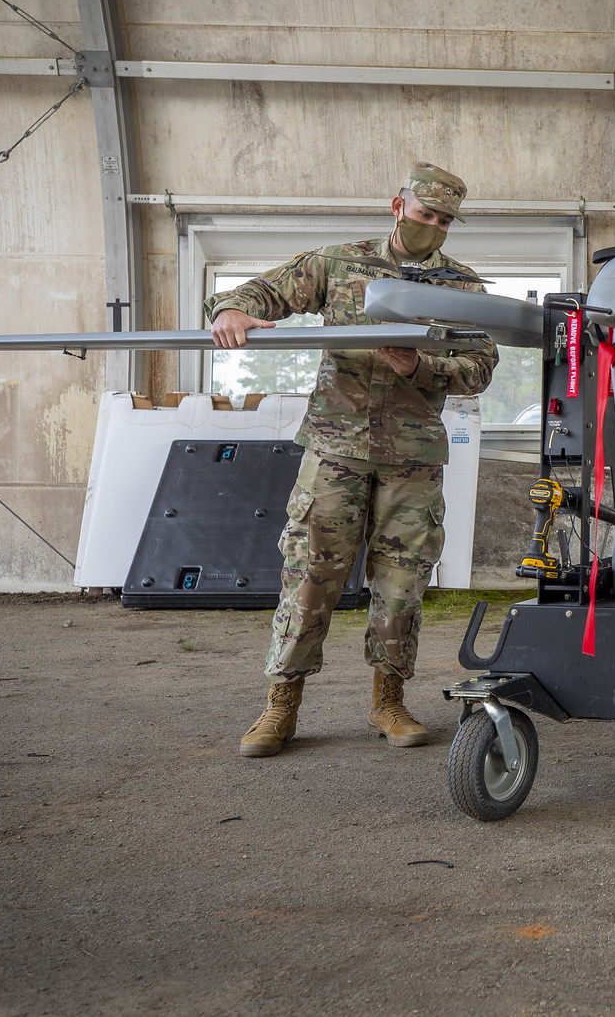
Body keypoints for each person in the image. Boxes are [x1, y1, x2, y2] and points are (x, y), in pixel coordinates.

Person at [212, 163, 495, 757]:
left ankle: (388, 702)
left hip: (412, 456)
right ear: (398, 205)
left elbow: (479, 369)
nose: (434, 226)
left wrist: (417, 367)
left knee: (401, 583)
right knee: (311, 574)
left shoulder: (463, 288)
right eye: (426, 214)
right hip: (336, 447)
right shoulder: (339, 263)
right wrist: (231, 311)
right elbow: (264, 291)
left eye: (445, 220)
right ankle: (280, 708)